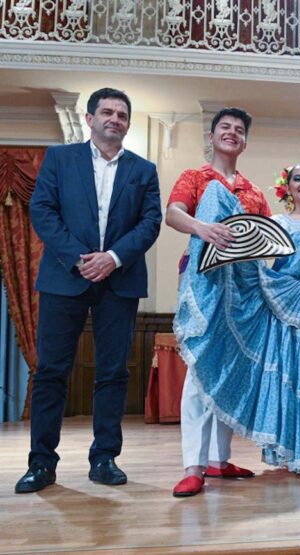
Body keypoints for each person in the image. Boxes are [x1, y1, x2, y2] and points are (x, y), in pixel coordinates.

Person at [173, 162, 300, 480]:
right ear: (288, 188)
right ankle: (299, 453)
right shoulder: (275, 223)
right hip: (285, 310)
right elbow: (257, 266)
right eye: (299, 178)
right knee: (298, 382)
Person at [15, 88, 162, 493]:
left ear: (128, 124)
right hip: (65, 277)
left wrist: (112, 257)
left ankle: (104, 458)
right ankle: (41, 464)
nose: (115, 119)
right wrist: (81, 258)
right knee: (51, 373)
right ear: (90, 118)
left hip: (120, 281)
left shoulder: (144, 170)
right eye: (107, 112)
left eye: (122, 114)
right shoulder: (60, 160)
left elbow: (150, 223)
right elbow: (43, 210)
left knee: (113, 372)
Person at [165, 107, 270, 497]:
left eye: (239, 130)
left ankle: (217, 459)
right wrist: (202, 229)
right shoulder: (195, 178)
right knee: (199, 373)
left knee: (229, 374)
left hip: (241, 295)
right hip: (204, 288)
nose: (231, 133)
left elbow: (266, 240)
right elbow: (173, 214)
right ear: (211, 137)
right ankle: (193, 465)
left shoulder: (255, 192)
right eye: (224, 127)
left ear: (244, 141)